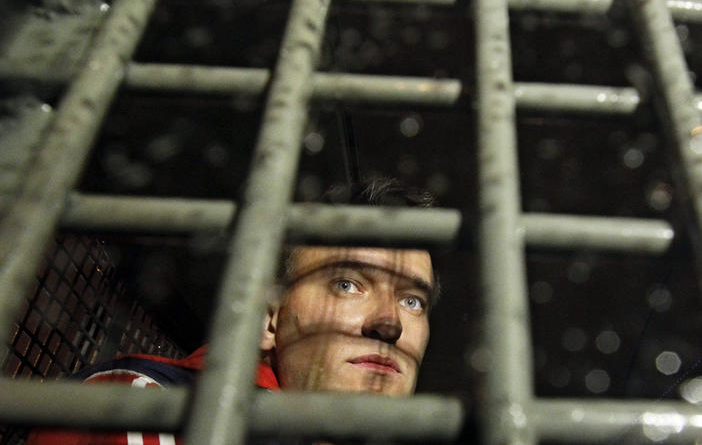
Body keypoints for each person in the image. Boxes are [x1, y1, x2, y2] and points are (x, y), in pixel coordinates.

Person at [27, 177, 439, 444]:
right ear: (268, 320)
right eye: (347, 284)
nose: (390, 323)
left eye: (412, 300)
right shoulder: (146, 407)